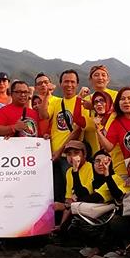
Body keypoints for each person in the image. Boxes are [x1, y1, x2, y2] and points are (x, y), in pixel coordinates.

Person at [37, 70, 88, 212]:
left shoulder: (81, 102)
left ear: (77, 84)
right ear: (60, 84)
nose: (69, 85)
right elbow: (43, 115)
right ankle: (58, 221)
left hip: (70, 156)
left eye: (72, 82)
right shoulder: (56, 102)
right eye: (66, 81)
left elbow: (77, 130)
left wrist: (60, 151)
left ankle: (72, 221)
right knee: (56, 191)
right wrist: (47, 94)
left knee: (71, 191)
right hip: (53, 155)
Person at [83, 90, 114, 156]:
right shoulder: (96, 120)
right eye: (96, 102)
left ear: (108, 102)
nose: (99, 104)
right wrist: (79, 97)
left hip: (118, 158)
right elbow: (77, 120)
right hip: (103, 158)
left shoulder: (115, 117)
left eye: (102, 100)